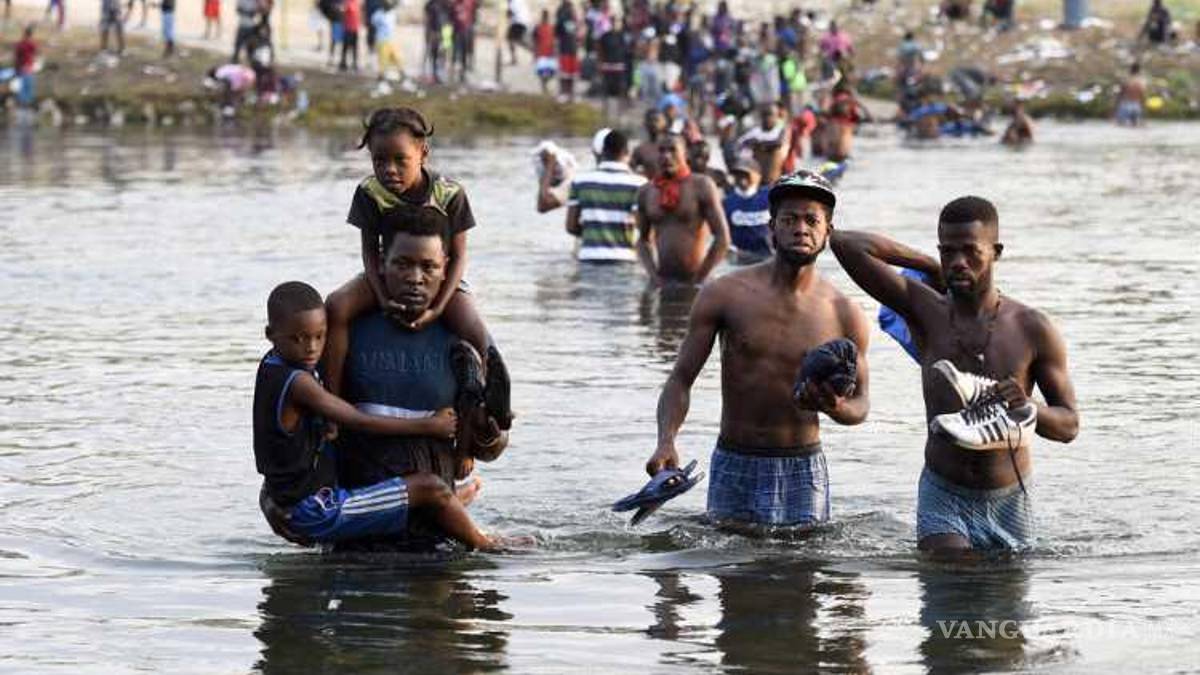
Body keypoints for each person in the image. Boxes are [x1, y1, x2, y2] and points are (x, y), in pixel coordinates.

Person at [830, 196, 1079, 553]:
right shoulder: (924, 310)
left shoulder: (1032, 328)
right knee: (951, 574)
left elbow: (1069, 425)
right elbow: (845, 243)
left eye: (970, 251)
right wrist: (930, 264)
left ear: (996, 251)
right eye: (949, 252)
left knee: (1006, 602)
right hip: (944, 493)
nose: (958, 262)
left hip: (1010, 498)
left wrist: (1028, 408)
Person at [644, 170, 870, 529]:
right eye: (789, 219)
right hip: (735, 460)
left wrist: (836, 406)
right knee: (731, 578)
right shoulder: (725, 293)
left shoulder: (845, 313)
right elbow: (680, 380)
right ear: (772, 228)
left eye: (812, 220)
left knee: (801, 576)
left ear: (827, 232)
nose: (801, 228)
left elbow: (861, 405)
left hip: (803, 467)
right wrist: (666, 441)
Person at [253, 280, 509, 552]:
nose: (311, 348)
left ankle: (450, 503)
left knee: (415, 495)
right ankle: (487, 543)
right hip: (316, 509)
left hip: (303, 496)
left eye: (320, 336)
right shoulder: (299, 383)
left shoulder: (273, 364)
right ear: (271, 334)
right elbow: (356, 419)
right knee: (431, 489)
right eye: (298, 338)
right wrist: (429, 425)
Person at [324, 108, 509, 438]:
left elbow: (459, 255)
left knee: (474, 328)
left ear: (423, 153)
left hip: (441, 278)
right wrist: (381, 297)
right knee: (336, 305)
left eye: (399, 159)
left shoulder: (450, 194)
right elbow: (369, 251)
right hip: (385, 272)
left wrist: (439, 307)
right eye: (379, 160)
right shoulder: (369, 192)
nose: (388, 170)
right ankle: (333, 403)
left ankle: (490, 401)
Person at [635, 134, 731, 285]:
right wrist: (653, 276)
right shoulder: (646, 191)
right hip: (663, 283)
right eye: (661, 151)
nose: (666, 156)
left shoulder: (702, 185)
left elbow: (722, 239)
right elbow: (642, 241)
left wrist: (700, 278)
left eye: (673, 150)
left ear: (686, 154)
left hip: (697, 282)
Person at [564, 129, 646, 262]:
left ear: (602, 152)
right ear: (627, 152)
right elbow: (643, 228)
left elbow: (571, 226)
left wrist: (592, 233)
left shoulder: (580, 181)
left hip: (589, 258)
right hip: (624, 259)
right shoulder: (639, 184)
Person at [722, 157, 772, 265]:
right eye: (738, 174)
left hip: (768, 256)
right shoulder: (727, 202)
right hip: (740, 257)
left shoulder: (770, 196)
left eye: (746, 173)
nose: (741, 178)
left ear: (758, 176)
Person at [737, 102, 791, 184]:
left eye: (771, 115)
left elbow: (778, 143)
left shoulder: (781, 130)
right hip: (757, 176)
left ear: (777, 116)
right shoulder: (755, 131)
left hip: (775, 176)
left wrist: (758, 144)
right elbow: (741, 142)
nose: (768, 118)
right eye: (765, 115)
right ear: (761, 117)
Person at [554, 0, 581, 102]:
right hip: (565, 48)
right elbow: (557, 32)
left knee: (571, 73)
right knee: (565, 73)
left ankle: (570, 93)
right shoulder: (562, 15)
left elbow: (575, 32)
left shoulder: (573, 17)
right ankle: (564, 93)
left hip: (571, 48)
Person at [631, 107, 667, 178]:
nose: (653, 123)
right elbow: (631, 172)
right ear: (645, 124)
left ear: (664, 122)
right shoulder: (640, 150)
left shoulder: (673, 147)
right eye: (650, 120)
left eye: (656, 120)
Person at [532, 9, 556, 93]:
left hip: (549, 53)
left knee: (551, 72)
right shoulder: (537, 27)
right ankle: (544, 87)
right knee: (542, 72)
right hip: (541, 53)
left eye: (546, 16)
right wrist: (535, 53)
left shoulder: (551, 27)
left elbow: (554, 40)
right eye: (544, 16)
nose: (545, 18)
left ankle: (545, 86)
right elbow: (535, 41)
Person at [13, 25, 36, 109]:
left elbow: (17, 57)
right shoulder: (32, 44)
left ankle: (22, 105)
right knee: (28, 88)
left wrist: (16, 69)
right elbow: (33, 54)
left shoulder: (21, 44)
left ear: (25, 34)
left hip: (23, 68)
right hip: (28, 68)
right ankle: (27, 105)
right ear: (30, 35)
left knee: (23, 88)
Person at [340, 0, 360, 71]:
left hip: (355, 28)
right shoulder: (347, 2)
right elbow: (342, 11)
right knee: (346, 46)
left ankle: (354, 63)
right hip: (348, 28)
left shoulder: (356, 2)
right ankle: (343, 62)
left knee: (355, 47)